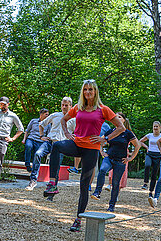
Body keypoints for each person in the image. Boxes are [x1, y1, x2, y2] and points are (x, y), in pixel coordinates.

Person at [44, 80, 125, 232]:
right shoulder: (78, 107)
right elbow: (64, 119)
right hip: (76, 144)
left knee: (83, 186)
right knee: (56, 146)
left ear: (95, 92)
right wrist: (68, 134)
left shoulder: (103, 109)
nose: (88, 92)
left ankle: (78, 219)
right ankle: (53, 183)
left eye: (91, 90)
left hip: (91, 150)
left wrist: (105, 139)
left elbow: (121, 127)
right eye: (85, 89)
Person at [90, 112, 140, 212]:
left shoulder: (127, 133)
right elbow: (101, 141)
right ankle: (97, 192)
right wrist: (102, 152)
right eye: (115, 117)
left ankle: (111, 205)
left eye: (119, 117)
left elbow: (137, 145)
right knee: (103, 170)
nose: (117, 118)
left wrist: (130, 158)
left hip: (120, 161)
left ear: (124, 120)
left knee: (115, 183)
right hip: (109, 158)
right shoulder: (110, 131)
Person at [26, 97, 75, 190]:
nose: (64, 107)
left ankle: (52, 189)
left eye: (66, 105)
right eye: (62, 105)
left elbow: (77, 133)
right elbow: (41, 124)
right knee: (37, 154)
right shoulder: (55, 115)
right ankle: (33, 180)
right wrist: (41, 136)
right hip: (49, 142)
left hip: (61, 145)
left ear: (70, 106)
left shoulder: (73, 119)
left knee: (55, 167)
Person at [138, 121, 161, 197]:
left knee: (154, 174)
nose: (155, 128)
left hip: (158, 155)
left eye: (157, 126)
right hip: (150, 153)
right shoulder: (149, 135)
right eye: (154, 126)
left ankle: (151, 192)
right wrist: (146, 147)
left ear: (160, 128)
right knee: (147, 165)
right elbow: (140, 141)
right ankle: (145, 183)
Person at [22, 109, 50, 176]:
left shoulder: (48, 124)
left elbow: (49, 135)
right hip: (31, 139)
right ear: (41, 114)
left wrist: (46, 140)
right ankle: (27, 164)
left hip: (40, 141)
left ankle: (34, 171)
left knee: (36, 155)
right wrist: (24, 139)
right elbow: (27, 131)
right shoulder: (33, 121)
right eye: (46, 114)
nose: (47, 116)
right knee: (28, 146)